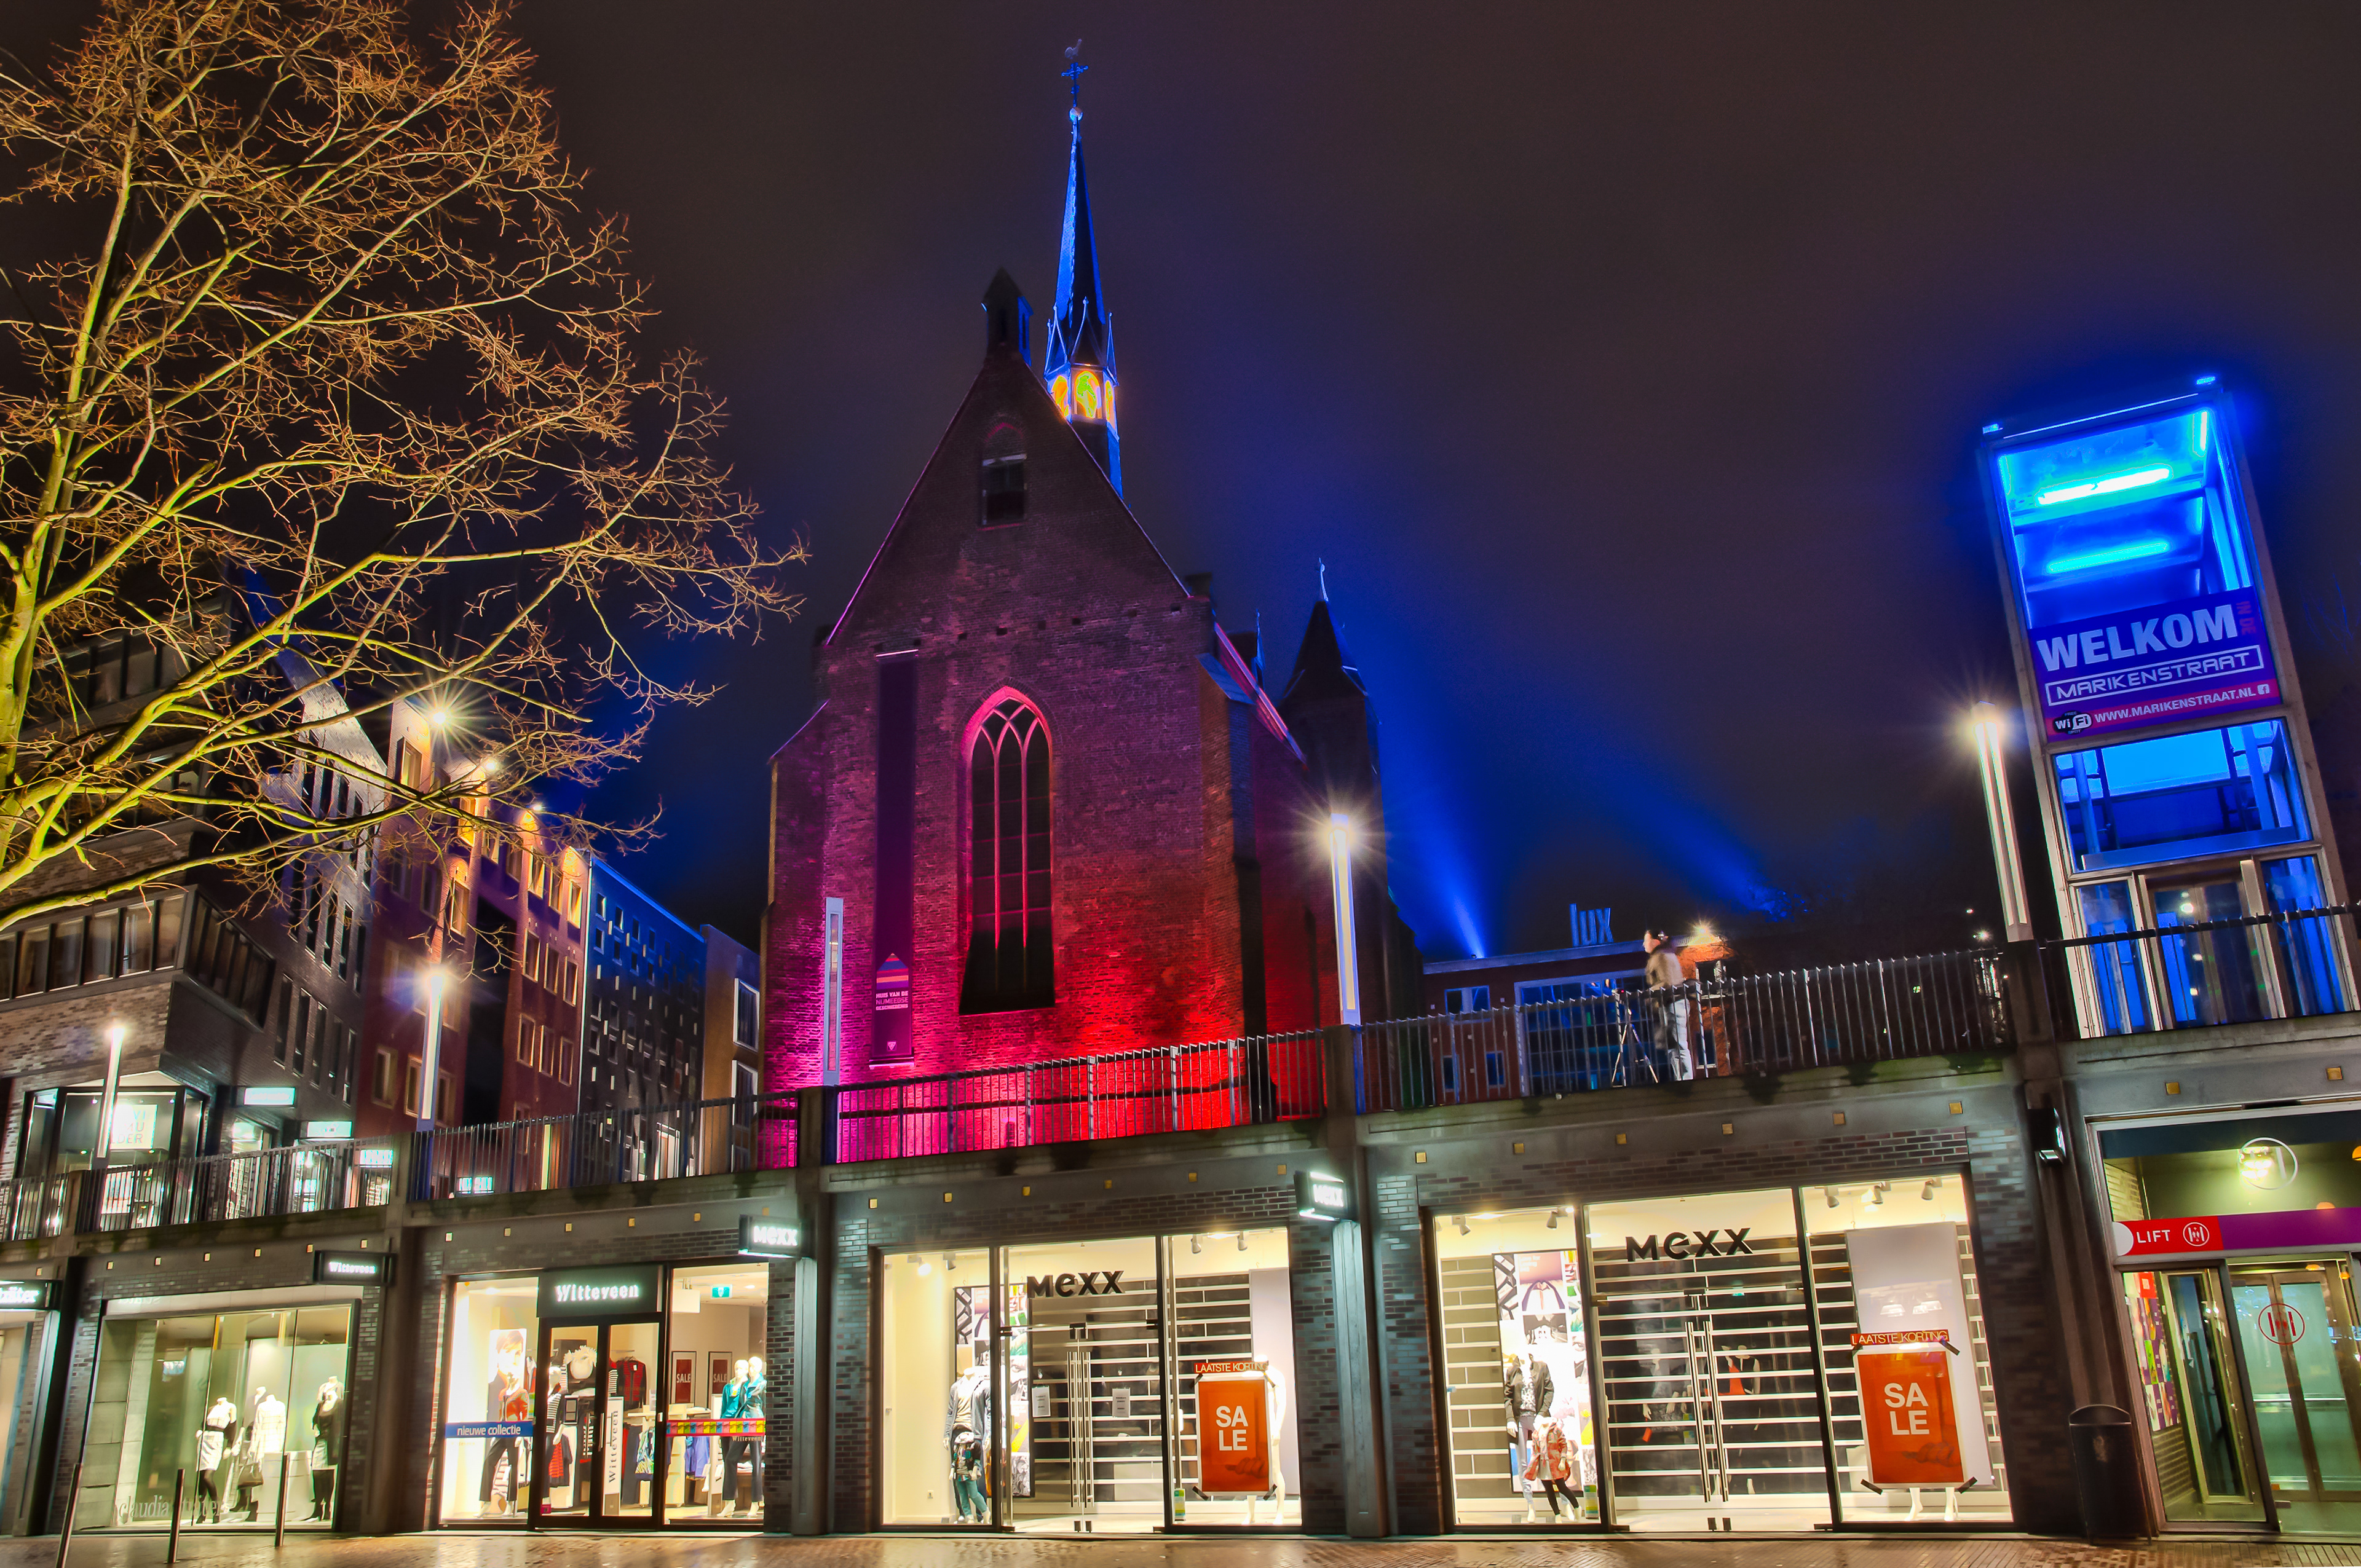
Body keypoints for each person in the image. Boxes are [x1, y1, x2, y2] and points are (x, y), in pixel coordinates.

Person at [1642, 931, 1693, 1081]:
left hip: (1672, 1005)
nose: (1644, 944)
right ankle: (1682, 1079)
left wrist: (1649, 995)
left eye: (1646, 940)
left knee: (1678, 1046)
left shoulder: (1661, 957)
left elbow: (1667, 983)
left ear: (1655, 941)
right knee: (1674, 1047)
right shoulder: (1664, 955)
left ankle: (1686, 1080)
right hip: (1670, 1005)